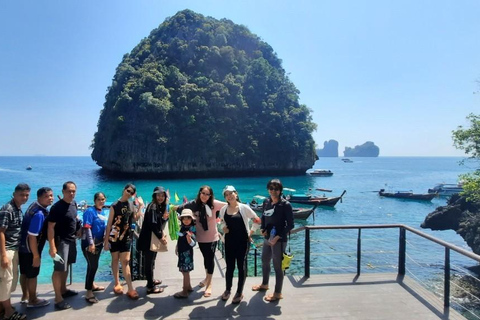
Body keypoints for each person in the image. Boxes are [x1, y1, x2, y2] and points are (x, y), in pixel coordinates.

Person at [176, 186, 225, 297]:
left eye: (208, 194)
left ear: (211, 195)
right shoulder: (194, 204)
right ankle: (206, 278)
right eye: (203, 193)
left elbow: (229, 206)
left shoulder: (214, 204)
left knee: (210, 259)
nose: (205, 196)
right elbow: (180, 209)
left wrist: (225, 223)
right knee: (205, 259)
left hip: (212, 237)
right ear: (199, 193)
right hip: (200, 238)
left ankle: (209, 284)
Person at [252, 179, 294, 302]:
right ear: (268, 189)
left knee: (277, 266)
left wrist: (277, 237)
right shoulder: (266, 202)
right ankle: (265, 284)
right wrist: (263, 228)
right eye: (271, 188)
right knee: (265, 260)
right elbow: (263, 217)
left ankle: (277, 293)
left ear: (280, 190)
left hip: (279, 240)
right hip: (267, 237)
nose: (273, 191)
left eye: (276, 189)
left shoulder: (285, 205)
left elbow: (290, 224)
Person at [219, 185, 260, 304]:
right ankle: (228, 289)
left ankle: (239, 292)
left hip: (242, 242)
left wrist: (250, 233)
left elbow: (257, 219)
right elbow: (221, 221)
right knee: (230, 267)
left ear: (236, 194)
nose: (229, 196)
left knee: (241, 266)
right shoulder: (223, 209)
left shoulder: (244, 208)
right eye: (226, 194)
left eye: (231, 193)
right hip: (229, 242)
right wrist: (223, 228)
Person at [104, 183, 144, 300]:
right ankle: (117, 283)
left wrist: (140, 206)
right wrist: (106, 241)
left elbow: (135, 218)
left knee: (125, 261)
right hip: (114, 236)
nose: (129, 193)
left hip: (126, 236)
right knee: (115, 259)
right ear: (124, 190)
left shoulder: (131, 204)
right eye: (128, 190)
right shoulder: (115, 205)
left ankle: (130, 288)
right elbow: (109, 224)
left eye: (132, 192)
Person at [48, 181, 81, 310]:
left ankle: (63, 289)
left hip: (72, 240)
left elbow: (74, 219)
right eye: (69, 191)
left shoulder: (74, 204)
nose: (71, 193)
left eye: (73, 191)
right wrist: (52, 247)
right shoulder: (57, 207)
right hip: (61, 241)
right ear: (63, 191)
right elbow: (50, 227)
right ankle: (58, 298)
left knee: (66, 266)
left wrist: (78, 230)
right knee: (58, 269)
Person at [19, 187, 53, 309]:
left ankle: (25, 296)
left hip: (22, 248)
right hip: (31, 249)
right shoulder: (39, 214)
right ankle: (33, 300)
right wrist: (36, 256)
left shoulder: (33, 206)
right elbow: (32, 237)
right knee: (32, 275)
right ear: (39, 198)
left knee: (24, 273)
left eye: (51, 195)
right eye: (47, 196)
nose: (50, 198)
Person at [0, 183, 30, 320]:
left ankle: (3, 309)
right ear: (14, 194)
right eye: (21, 195)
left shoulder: (18, 208)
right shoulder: (8, 209)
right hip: (7, 250)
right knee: (6, 282)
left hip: (14, 249)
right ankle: (8, 312)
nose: (24, 197)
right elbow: (1, 232)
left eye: (26, 195)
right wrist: (3, 255)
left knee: (11, 281)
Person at [137, 186, 169, 294]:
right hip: (148, 239)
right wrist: (161, 238)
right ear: (154, 196)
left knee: (152, 261)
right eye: (158, 195)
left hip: (151, 238)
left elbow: (158, 223)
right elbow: (153, 224)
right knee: (149, 262)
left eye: (162, 195)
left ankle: (150, 281)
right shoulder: (153, 207)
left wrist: (165, 218)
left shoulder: (157, 206)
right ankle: (150, 287)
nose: (160, 197)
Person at [81, 192, 108, 303]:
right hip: (90, 244)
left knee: (92, 265)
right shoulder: (90, 211)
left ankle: (91, 285)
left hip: (99, 243)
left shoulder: (102, 211)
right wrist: (91, 243)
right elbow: (87, 228)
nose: (101, 201)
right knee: (93, 266)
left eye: (103, 199)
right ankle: (88, 292)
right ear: (95, 200)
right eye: (99, 199)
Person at [173, 209, 196, 299]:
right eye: (184, 219)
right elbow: (180, 237)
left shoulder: (192, 229)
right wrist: (177, 247)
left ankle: (184, 291)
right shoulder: (183, 227)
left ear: (191, 219)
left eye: (188, 218)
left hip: (187, 254)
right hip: (182, 252)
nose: (186, 220)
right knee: (184, 271)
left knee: (185, 272)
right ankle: (189, 287)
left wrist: (189, 239)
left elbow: (193, 243)